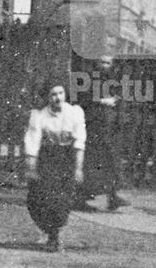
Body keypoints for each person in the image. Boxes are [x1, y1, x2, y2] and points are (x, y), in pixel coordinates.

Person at [24, 80, 86, 252]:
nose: (58, 97)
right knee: (40, 197)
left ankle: (54, 235)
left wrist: (78, 168)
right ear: (47, 97)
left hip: (66, 159)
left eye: (60, 93)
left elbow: (79, 141)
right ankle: (50, 231)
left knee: (61, 199)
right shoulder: (40, 115)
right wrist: (31, 168)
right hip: (47, 158)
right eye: (53, 94)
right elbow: (32, 143)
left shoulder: (74, 113)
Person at [73, 55, 128, 212]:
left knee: (109, 161)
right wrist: (103, 101)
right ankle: (82, 198)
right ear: (97, 63)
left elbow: (117, 98)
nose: (105, 66)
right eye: (102, 62)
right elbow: (82, 99)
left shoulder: (111, 80)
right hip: (93, 125)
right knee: (92, 162)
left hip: (106, 126)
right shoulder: (88, 79)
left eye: (108, 63)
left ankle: (112, 196)